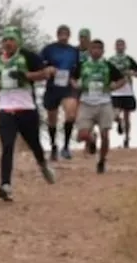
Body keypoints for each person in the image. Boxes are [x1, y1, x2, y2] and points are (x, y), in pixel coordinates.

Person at [0, 25, 56, 203]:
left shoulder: (28, 56)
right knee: (7, 145)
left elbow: (45, 74)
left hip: (26, 108)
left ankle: (43, 165)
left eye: (11, 40)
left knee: (34, 144)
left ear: (18, 41)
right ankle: (5, 185)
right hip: (5, 109)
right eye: (5, 40)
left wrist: (25, 76)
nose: (7, 43)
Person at [73, 39, 127, 174]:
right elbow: (72, 78)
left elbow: (122, 79)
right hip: (86, 103)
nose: (96, 51)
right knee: (82, 135)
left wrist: (114, 86)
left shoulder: (107, 66)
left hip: (104, 103)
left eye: (99, 48)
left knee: (105, 134)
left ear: (103, 51)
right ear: (90, 50)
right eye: (94, 48)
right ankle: (92, 139)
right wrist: (76, 85)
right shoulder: (83, 65)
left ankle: (102, 160)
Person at [39, 24, 83, 161]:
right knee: (52, 118)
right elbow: (39, 64)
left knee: (71, 114)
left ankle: (65, 147)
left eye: (66, 34)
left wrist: (76, 80)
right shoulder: (48, 49)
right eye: (61, 34)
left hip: (67, 86)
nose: (63, 36)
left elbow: (79, 69)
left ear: (69, 35)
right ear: (57, 35)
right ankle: (53, 146)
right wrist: (48, 69)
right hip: (52, 87)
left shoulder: (74, 51)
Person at [107, 38, 137, 148]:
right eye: (118, 45)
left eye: (122, 45)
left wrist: (131, 73)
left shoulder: (129, 60)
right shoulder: (111, 60)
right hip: (115, 91)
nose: (120, 47)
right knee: (114, 115)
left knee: (128, 116)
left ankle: (127, 138)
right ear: (115, 47)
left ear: (125, 47)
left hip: (127, 90)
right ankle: (119, 122)